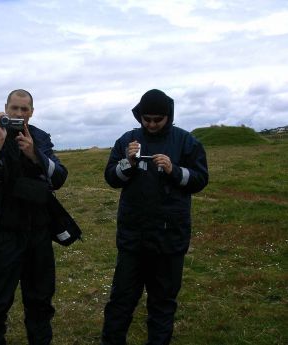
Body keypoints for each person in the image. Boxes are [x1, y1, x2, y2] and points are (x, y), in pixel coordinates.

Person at [101, 89, 209, 345]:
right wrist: (128, 162)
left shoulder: (186, 142)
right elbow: (111, 178)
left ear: (168, 116)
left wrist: (174, 170)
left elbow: (200, 179)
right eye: (145, 119)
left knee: (162, 303)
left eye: (157, 119)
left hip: (170, 238)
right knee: (121, 301)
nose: (150, 124)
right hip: (133, 238)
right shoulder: (127, 140)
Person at [0, 89, 68, 345]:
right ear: (5, 109)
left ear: (31, 112)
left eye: (24, 109)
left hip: (38, 234)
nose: (19, 114)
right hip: (1, 233)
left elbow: (60, 177)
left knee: (40, 303)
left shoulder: (40, 138)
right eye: (14, 108)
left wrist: (35, 154)